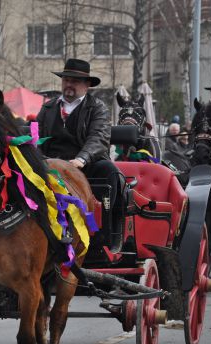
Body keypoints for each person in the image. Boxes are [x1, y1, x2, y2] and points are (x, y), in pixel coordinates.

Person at [36, 58, 121, 247]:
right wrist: (37, 159)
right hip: (49, 164)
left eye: (74, 81)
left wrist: (81, 159)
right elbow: (36, 136)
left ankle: (105, 233)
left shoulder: (97, 108)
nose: (68, 85)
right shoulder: (48, 108)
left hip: (85, 164)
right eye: (66, 80)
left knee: (110, 171)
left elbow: (98, 138)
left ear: (87, 85)